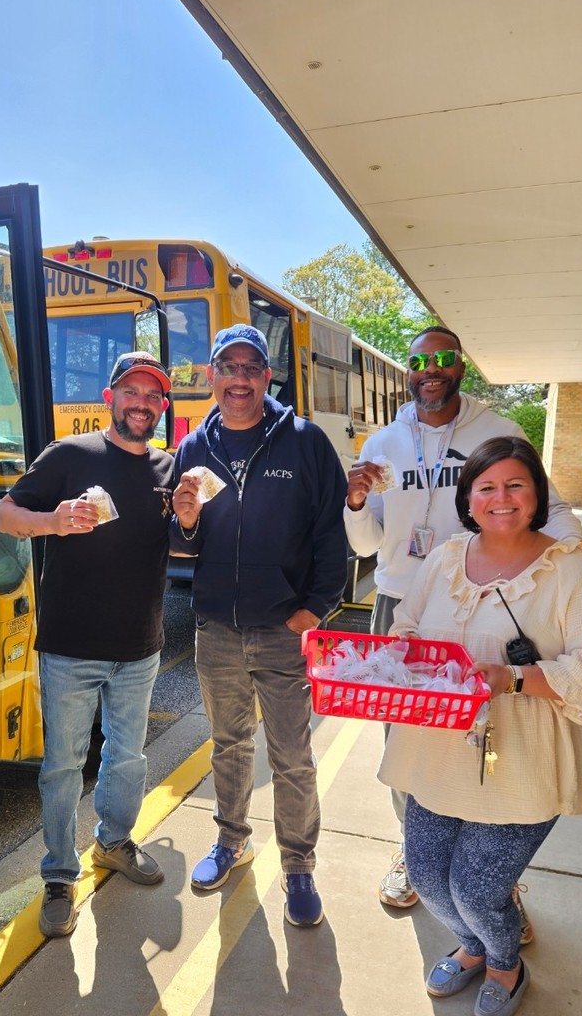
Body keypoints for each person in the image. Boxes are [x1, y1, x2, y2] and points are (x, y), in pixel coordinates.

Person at [344, 324, 582, 912]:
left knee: (496, 729)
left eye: (444, 357)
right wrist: (354, 502)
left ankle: (493, 875)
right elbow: (363, 542)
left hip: (488, 598)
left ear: (461, 366)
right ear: (408, 370)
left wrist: (577, 557)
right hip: (403, 601)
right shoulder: (382, 442)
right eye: (419, 360)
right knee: (408, 734)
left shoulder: (498, 430)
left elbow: (549, 507)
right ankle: (416, 847)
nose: (431, 368)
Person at [378, 435, 582, 1016]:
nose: (501, 498)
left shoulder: (571, 566)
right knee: (427, 878)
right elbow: (407, 622)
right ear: (468, 499)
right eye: (486, 487)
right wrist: (400, 654)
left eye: (516, 485)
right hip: (439, 748)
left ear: (537, 495)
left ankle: (505, 962)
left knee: (477, 889)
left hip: (525, 758)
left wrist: (515, 678)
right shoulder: (449, 556)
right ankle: (475, 947)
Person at [170, 323, 348, 928]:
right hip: (216, 628)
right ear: (213, 377)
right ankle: (232, 842)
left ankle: (299, 868)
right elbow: (181, 540)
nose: (239, 378)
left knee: (293, 756)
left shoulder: (304, 442)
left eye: (251, 367)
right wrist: (186, 520)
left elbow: (331, 536)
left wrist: (313, 610)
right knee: (228, 746)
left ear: (266, 377)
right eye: (228, 367)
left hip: (284, 629)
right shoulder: (194, 448)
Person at [0, 351, 174, 938]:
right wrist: (54, 521)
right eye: (132, 392)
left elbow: (186, 545)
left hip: (140, 644)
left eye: (153, 396)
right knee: (64, 765)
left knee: (128, 757)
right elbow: (5, 513)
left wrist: (194, 519)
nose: (142, 403)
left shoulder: (168, 469)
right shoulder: (70, 454)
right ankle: (58, 877)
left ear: (162, 406)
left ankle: (114, 842)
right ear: (110, 396)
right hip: (71, 645)